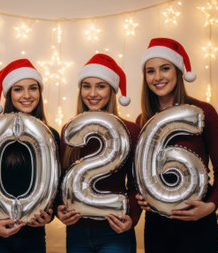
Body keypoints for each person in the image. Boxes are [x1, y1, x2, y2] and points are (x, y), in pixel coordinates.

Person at [135, 37, 218, 253]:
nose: (157, 77)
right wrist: (141, 196)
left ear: (178, 72)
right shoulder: (143, 120)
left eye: (165, 68)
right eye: (150, 71)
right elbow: (139, 174)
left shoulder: (203, 112)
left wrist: (210, 206)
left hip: (197, 225)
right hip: (157, 226)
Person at [56, 53, 142, 253]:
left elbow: (137, 183)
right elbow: (61, 179)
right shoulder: (69, 130)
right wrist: (61, 208)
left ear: (112, 90)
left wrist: (133, 217)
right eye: (86, 86)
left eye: (101, 86)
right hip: (77, 232)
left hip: (115, 230)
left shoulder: (131, 130)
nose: (92, 93)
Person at [0, 58, 60, 253]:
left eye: (33, 88)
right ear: (9, 94)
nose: (27, 95)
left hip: (33, 237)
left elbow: (57, 184)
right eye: (18, 89)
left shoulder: (51, 136)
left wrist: (49, 215)